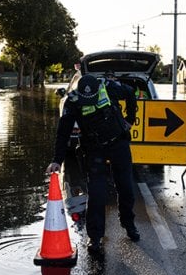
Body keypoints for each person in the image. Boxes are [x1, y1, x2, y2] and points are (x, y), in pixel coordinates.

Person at [46, 73, 140, 254]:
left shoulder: (109, 87)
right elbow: (63, 132)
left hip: (118, 142)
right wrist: (57, 160)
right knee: (96, 194)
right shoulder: (72, 101)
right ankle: (95, 237)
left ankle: (129, 224)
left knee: (126, 188)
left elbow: (130, 93)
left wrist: (130, 119)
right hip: (93, 148)